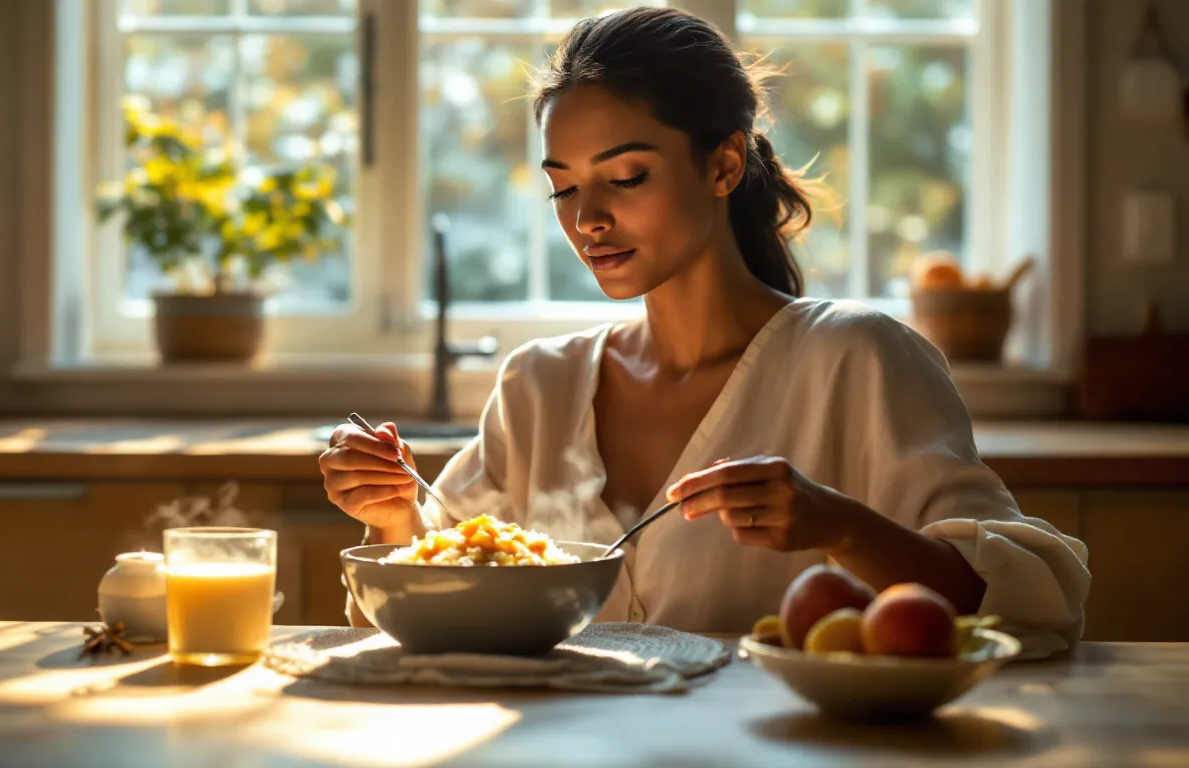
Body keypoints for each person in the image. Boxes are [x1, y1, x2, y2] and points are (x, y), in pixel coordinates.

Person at [318, 7, 1089, 657]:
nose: (587, 220)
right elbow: (445, 610)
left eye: (625, 179)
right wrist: (394, 517)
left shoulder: (856, 359)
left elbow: (1027, 607)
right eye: (563, 188)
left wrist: (840, 526)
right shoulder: (537, 385)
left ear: (723, 165)